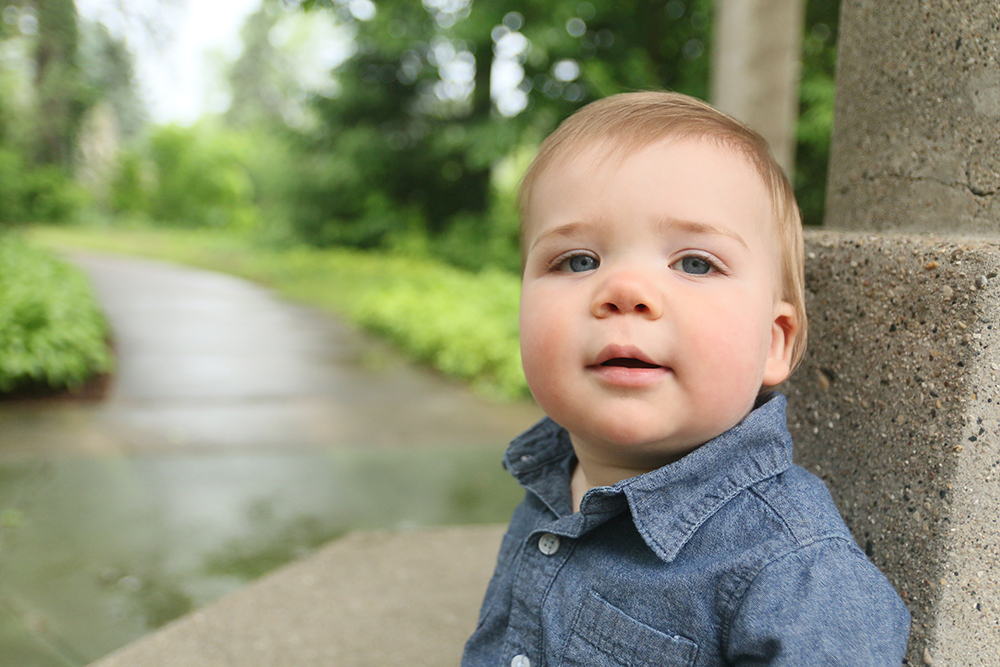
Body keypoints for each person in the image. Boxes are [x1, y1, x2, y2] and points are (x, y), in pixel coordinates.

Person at [462, 92, 910, 666]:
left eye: (694, 263)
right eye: (577, 261)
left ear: (772, 342)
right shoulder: (553, 474)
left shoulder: (794, 571)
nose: (625, 291)